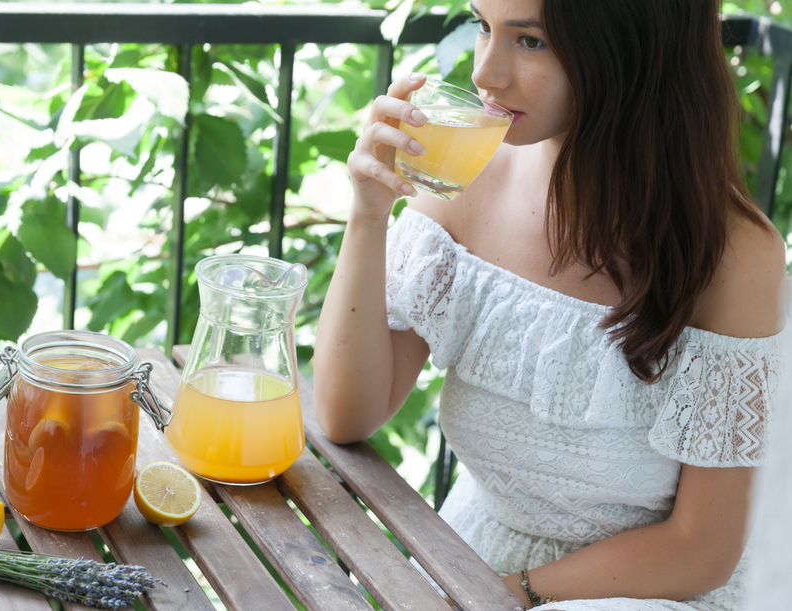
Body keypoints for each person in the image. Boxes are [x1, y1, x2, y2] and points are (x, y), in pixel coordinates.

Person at [313, 0, 788, 609]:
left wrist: (511, 594)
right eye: (483, 26)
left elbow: (702, 550)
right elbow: (347, 416)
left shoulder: (736, 256)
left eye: (530, 41)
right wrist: (369, 214)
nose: (485, 73)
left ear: (629, 48)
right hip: (479, 559)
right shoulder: (468, 173)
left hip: (649, 591)